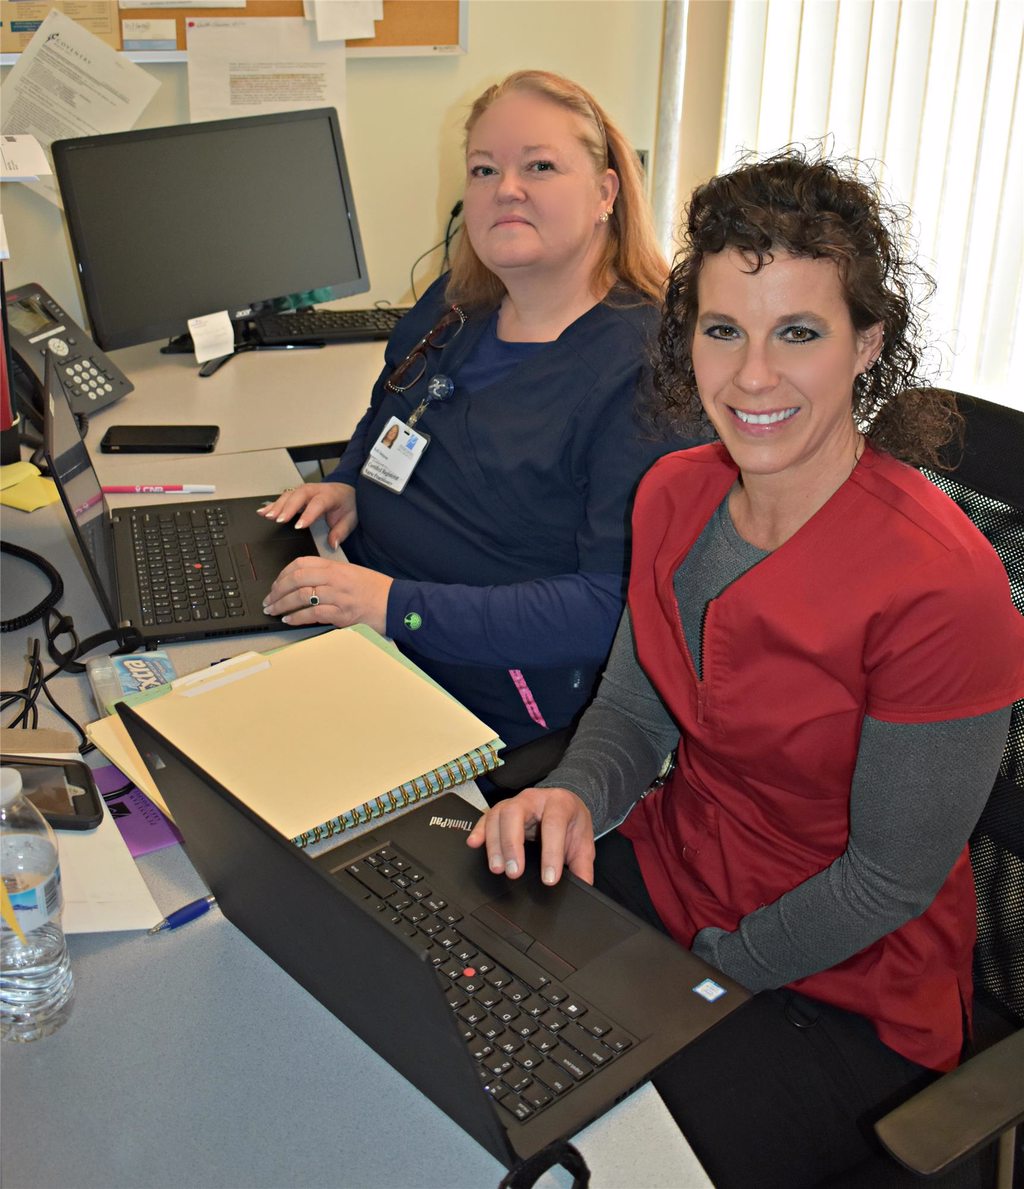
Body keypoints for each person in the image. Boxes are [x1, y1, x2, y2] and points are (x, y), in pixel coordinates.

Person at [467, 148, 1024, 1188]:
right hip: (675, 881)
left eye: (798, 334)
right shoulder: (675, 493)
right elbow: (634, 704)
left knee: (581, 1147)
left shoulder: (942, 589)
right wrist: (575, 797)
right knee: (460, 1006)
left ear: (867, 344)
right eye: (723, 330)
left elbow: (886, 881)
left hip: (841, 988)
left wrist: (695, 979)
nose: (752, 376)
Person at [260, 70, 689, 753]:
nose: (505, 189)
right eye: (484, 169)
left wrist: (389, 605)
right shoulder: (460, 300)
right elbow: (389, 409)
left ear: (606, 191)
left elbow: (610, 608)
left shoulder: (645, 371)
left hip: (482, 691)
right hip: (359, 609)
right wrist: (348, 483)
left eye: (540, 166)